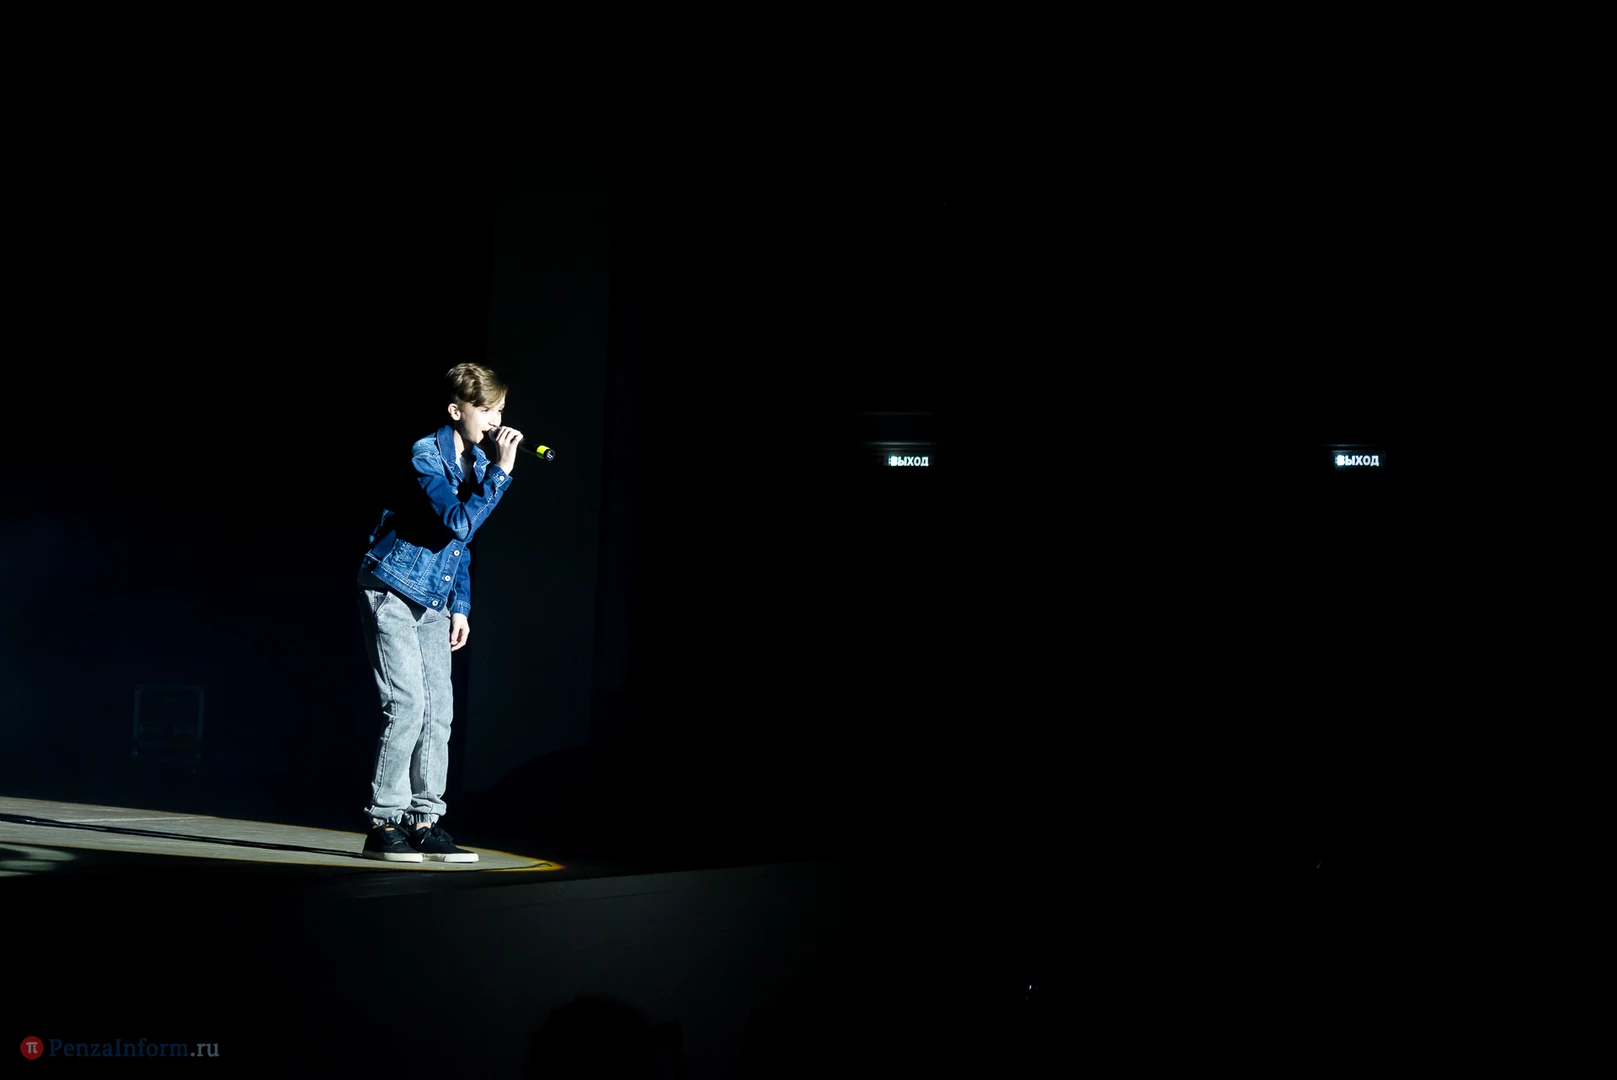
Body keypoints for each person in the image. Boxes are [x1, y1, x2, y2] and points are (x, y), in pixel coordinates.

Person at [354, 362, 525, 862]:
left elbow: (459, 547)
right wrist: (502, 474)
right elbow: (458, 523)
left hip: (434, 597)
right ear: (456, 410)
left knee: (439, 712)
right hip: (391, 586)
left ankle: (424, 820)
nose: (496, 421)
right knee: (407, 704)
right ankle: (383, 821)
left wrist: (460, 606)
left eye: (500, 411)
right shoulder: (425, 455)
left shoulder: (476, 461)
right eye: (487, 410)